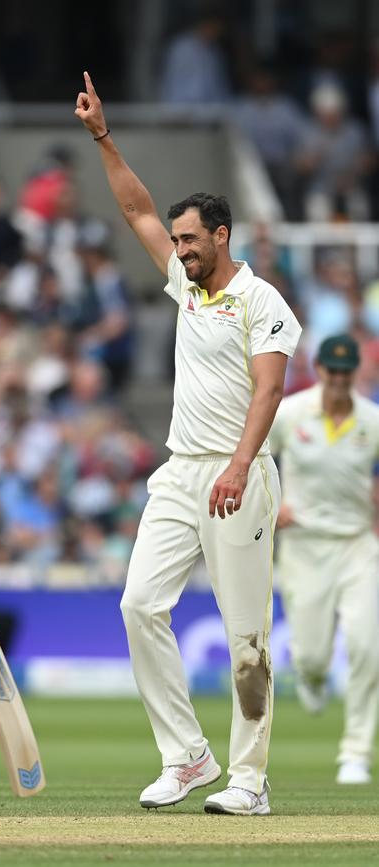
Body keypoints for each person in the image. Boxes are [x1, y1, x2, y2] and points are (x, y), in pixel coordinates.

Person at [75, 72, 301, 816]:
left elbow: (268, 391)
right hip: (180, 473)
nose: (180, 252)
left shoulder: (260, 300)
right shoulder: (186, 286)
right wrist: (104, 137)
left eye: (191, 241)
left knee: (246, 643)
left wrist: (239, 465)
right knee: (140, 604)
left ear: (222, 236)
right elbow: (135, 205)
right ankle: (188, 756)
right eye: (176, 243)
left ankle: (250, 780)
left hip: (241, 475)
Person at [268, 335, 379, 785]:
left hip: (357, 544)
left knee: (366, 647)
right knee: (313, 658)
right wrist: (273, 504)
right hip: (303, 545)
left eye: (345, 372)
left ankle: (356, 753)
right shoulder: (292, 413)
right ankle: (311, 677)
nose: (337, 380)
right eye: (330, 372)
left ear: (356, 372)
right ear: (318, 369)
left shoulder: (371, 420)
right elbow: (254, 454)